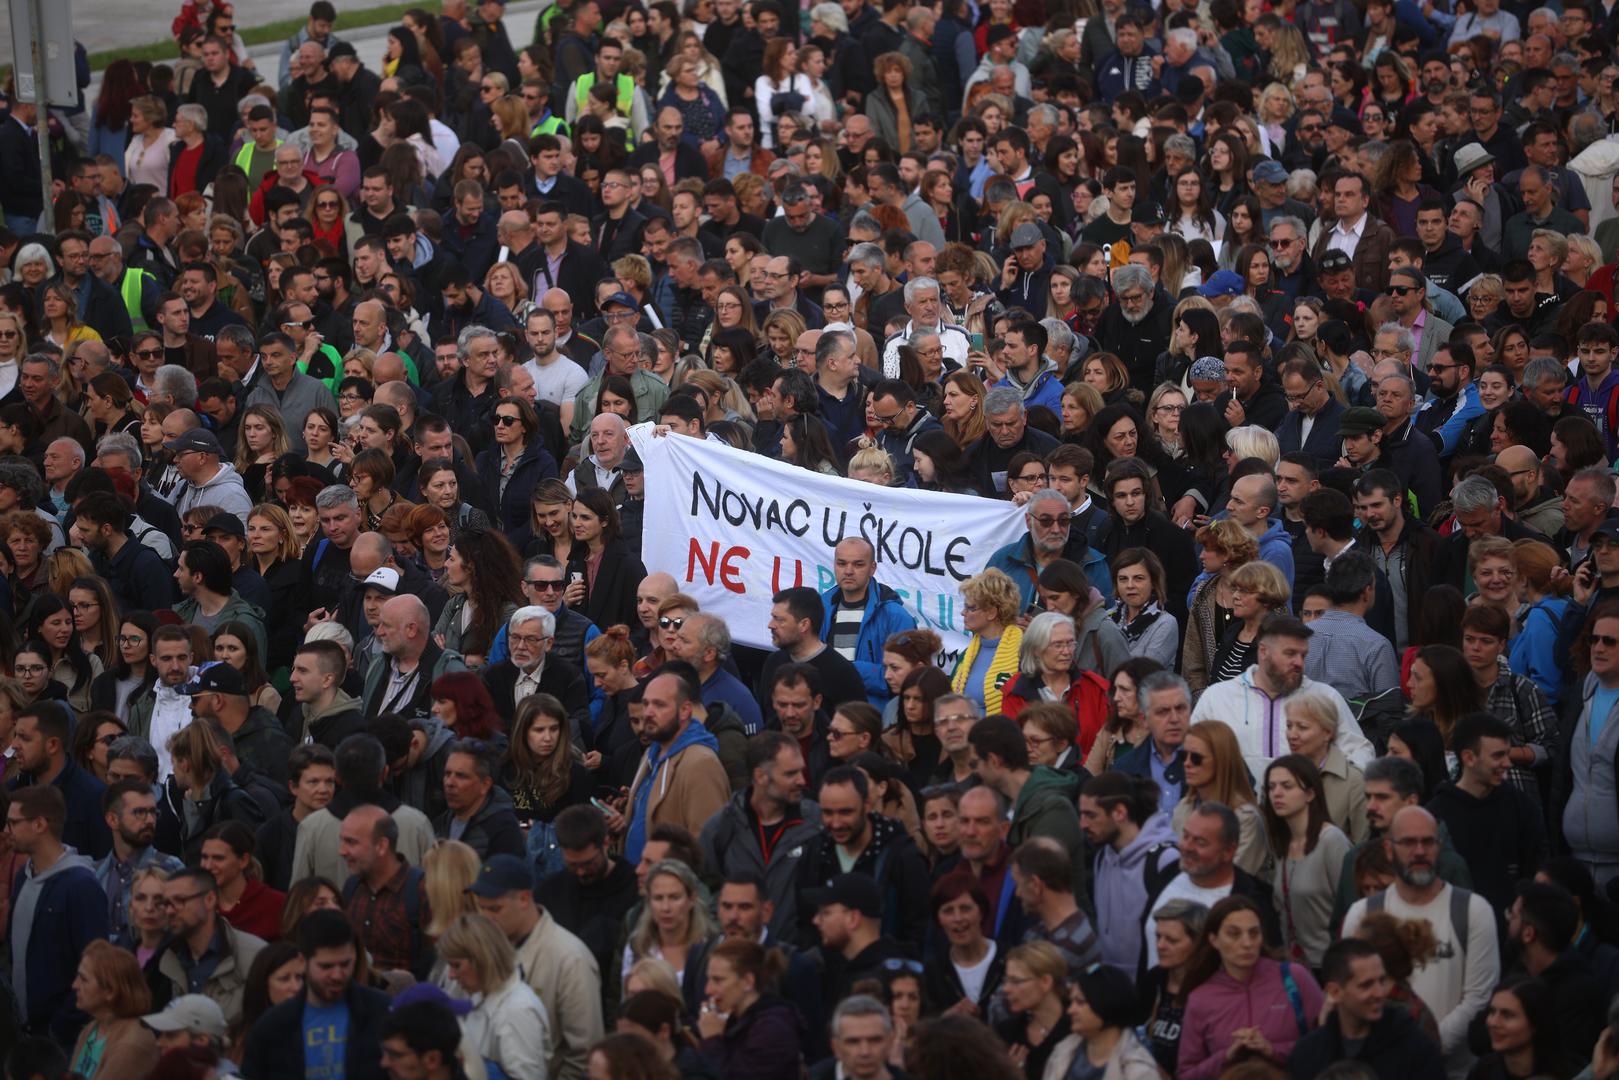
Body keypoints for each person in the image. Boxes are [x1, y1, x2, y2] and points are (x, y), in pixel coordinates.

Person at [1342, 807, 1499, 1076]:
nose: (1419, 851)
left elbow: (1479, 998)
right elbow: (1350, 993)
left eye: (1428, 842)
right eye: (1409, 842)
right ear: (1390, 850)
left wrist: (1422, 1047)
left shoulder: (1473, 910)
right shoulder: (1362, 914)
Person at [465, 853, 605, 1080]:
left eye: (495, 909)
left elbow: (584, 1055)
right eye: (482, 909)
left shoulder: (570, 958)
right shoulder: (485, 947)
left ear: (524, 898)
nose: (486, 918)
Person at [1191, 614, 1374, 779]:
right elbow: (1191, 752)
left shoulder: (1325, 697)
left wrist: (1330, 788)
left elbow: (1360, 753)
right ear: (1263, 651)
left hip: (1307, 808)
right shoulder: (1218, 697)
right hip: (1237, 811)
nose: (1299, 663)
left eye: (1303, 655)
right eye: (1290, 654)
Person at [1177, 894, 1324, 1079]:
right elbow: (1186, 1075)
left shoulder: (1294, 977)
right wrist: (1226, 1056)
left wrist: (1272, 1050)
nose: (1247, 943)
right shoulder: (1200, 998)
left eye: (1254, 933)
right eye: (1234, 934)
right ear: (1214, 940)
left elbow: (1327, 1044)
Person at [6, 785, 111, 1041]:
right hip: (25, 1032)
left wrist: (58, 1028)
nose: (6, 831)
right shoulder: (24, 876)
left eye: (13, 823)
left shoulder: (80, 886)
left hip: (61, 1039)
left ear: (39, 824)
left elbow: (94, 965)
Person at [239, 908, 391, 1078]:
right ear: (303, 961)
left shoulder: (382, 1013)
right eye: (326, 966)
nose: (337, 975)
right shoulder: (272, 1028)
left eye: (345, 964)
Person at [1426, 713, 1548, 915]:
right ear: (1469, 758)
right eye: (1498, 756)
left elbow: (1536, 864)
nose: (1508, 763)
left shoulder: (1520, 806)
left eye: (1508, 754)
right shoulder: (1437, 815)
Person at [1286, 938, 1445, 1080]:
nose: (1380, 993)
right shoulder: (1308, 1055)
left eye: (1381, 981)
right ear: (1335, 992)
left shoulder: (1415, 1048)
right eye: (1366, 985)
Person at [1260, 754, 1351, 968]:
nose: (1277, 794)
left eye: (1287, 786)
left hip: (1330, 967)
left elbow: (1350, 908)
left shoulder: (1331, 841)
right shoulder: (1282, 844)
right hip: (1293, 968)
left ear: (1310, 793)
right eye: (1271, 787)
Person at [438, 912, 553, 1080]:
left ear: (482, 960)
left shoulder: (517, 1011)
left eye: (456, 965)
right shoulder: (483, 995)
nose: (451, 976)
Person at [66, 939, 162, 1080]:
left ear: (110, 991)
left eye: (84, 979)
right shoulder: (91, 1030)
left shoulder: (132, 1044)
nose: (75, 985)